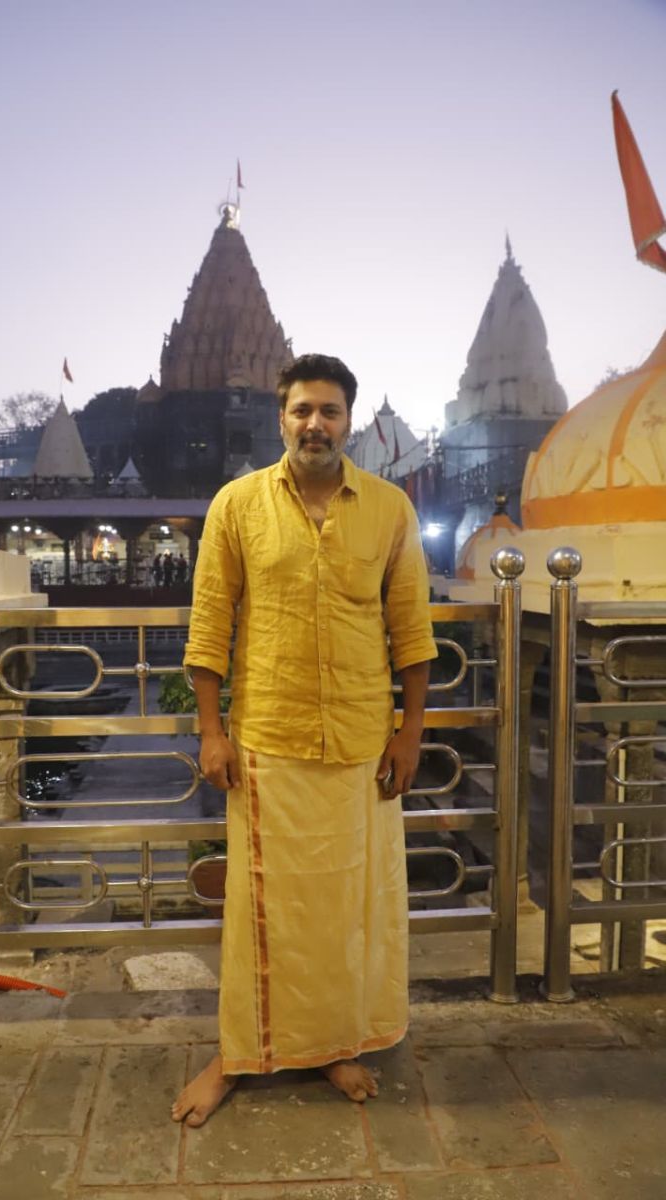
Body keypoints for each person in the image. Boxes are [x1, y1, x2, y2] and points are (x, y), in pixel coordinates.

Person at [172, 353, 436, 1128]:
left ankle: (333, 1044)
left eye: (329, 411)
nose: (315, 424)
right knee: (263, 911)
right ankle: (236, 1054)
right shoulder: (238, 505)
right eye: (301, 411)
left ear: (348, 421)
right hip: (266, 739)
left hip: (360, 741)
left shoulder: (388, 509)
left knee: (345, 909)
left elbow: (411, 631)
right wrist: (211, 731)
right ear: (279, 419)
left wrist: (410, 733)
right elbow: (209, 624)